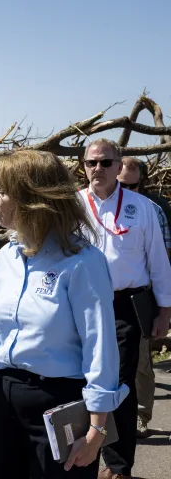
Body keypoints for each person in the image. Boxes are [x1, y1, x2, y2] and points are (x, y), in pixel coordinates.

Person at [0, 150, 128, 479]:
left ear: (30, 198)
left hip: (58, 404)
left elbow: (100, 347)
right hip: (3, 397)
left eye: (0, 191)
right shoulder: (6, 257)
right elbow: (7, 323)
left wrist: (96, 431)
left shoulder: (82, 262)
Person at [78, 139, 171, 479]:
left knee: (119, 384)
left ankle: (118, 467)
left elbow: (158, 262)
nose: (97, 169)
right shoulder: (73, 205)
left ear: (119, 166)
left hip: (125, 305)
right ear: (83, 166)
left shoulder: (142, 207)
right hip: (81, 305)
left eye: (105, 163)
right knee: (80, 379)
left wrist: (165, 310)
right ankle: (81, 458)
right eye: (91, 163)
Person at [117, 156, 171, 439]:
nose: (125, 189)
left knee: (140, 361)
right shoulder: (92, 205)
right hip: (105, 298)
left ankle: (140, 415)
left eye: (131, 185)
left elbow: (163, 258)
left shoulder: (152, 209)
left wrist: (163, 306)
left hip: (141, 296)